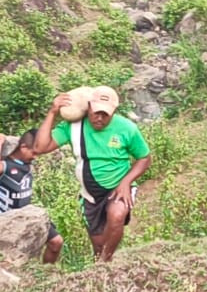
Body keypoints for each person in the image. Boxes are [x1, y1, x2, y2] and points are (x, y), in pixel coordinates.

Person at [34, 86, 151, 263]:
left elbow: (144, 158)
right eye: (96, 112)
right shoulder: (74, 127)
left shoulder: (127, 128)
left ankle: (104, 262)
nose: (99, 118)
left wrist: (126, 182)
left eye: (105, 114)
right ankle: (102, 264)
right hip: (90, 195)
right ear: (88, 107)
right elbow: (40, 147)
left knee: (117, 215)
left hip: (118, 187)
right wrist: (52, 112)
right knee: (98, 246)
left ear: (114, 112)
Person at [0, 129, 63, 264]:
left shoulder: (27, 163)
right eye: (33, 153)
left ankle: (46, 271)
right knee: (10, 258)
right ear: (23, 147)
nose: (35, 157)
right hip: (5, 218)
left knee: (56, 242)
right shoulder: (7, 165)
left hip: (27, 215)